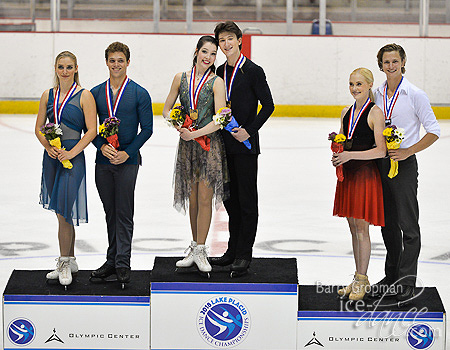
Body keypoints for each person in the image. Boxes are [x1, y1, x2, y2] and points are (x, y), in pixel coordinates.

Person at [372, 43, 440, 302]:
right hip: (381, 163)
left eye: (395, 61)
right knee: (388, 224)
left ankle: (406, 281)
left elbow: (434, 131)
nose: (391, 66)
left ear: (403, 62)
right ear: (381, 65)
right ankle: (391, 276)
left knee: (408, 226)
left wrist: (409, 150)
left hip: (404, 166)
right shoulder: (376, 93)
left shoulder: (414, 94)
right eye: (386, 62)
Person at [210, 21, 274, 277]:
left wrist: (249, 130)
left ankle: (244, 254)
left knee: (247, 200)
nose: (226, 44)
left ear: (239, 40)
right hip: (223, 144)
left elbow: (268, 106)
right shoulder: (219, 71)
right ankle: (231, 250)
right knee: (229, 199)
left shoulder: (253, 71)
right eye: (221, 40)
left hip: (245, 145)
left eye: (230, 39)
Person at [162, 35, 228, 275]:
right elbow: (166, 109)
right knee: (191, 198)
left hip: (209, 145)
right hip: (187, 147)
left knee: (204, 198)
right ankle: (194, 245)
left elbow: (220, 119)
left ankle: (202, 249)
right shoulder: (180, 78)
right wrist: (177, 124)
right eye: (205, 52)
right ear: (197, 52)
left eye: (213, 54)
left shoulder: (217, 82)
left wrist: (196, 132)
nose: (208, 57)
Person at [90, 42, 153, 286]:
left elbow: (146, 129)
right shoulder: (95, 93)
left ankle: (123, 262)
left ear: (128, 62)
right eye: (112, 60)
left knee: (124, 212)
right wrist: (100, 145)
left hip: (128, 162)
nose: (116, 64)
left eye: (121, 60)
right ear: (106, 62)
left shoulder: (139, 93)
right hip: (103, 161)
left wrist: (128, 153)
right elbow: (89, 126)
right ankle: (111, 260)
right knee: (110, 212)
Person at [35, 51, 97, 288]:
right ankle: (70, 260)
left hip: (72, 159)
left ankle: (63, 261)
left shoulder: (84, 95)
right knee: (63, 213)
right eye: (61, 67)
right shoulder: (47, 95)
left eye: (69, 67)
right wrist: (48, 146)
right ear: (55, 68)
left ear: (76, 68)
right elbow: (39, 127)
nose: (64, 71)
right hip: (52, 157)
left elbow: (91, 130)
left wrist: (72, 152)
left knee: (63, 211)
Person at [331, 68, 386, 301]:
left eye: (359, 84)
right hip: (349, 176)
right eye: (351, 84)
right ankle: (357, 277)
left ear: (370, 85)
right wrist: (337, 149)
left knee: (362, 230)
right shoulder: (346, 112)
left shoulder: (375, 113)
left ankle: (362, 279)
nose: (354, 88)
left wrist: (350, 156)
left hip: (365, 175)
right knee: (353, 228)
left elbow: (381, 150)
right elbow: (344, 140)